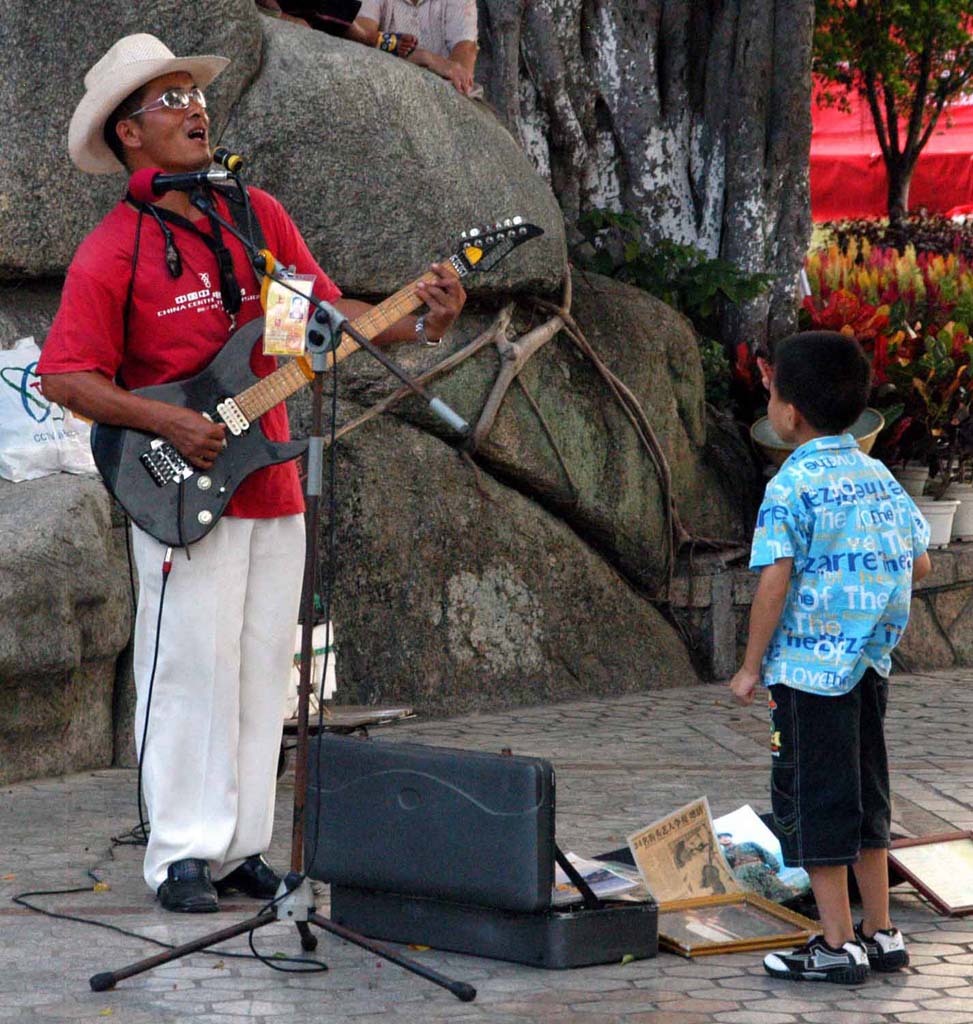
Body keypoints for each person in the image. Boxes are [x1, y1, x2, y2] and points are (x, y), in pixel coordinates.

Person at [38, 33, 465, 913]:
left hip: (268, 475)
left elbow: (318, 323)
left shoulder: (253, 217)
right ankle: (181, 854)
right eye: (169, 100)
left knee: (263, 670)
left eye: (195, 94)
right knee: (189, 669)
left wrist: (419, 322)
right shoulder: (115, 244)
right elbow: (65, 373)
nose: (194, 108)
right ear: (126, 134)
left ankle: (238, 849)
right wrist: (167, 420)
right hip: (175, 483)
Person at [728, 331, 931, 984]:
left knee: (815, 802)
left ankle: (834, 944)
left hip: (808, 675)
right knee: (867, 797)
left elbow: (774, 579)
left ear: (786, 412)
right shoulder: (876, 474)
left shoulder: (791, 485)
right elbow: (919, 558)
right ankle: (882, 933)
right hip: (868, 667)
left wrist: (750, 665)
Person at [353, 0, 478, 95]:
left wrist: (454, 74)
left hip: (438, 96)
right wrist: (423, 58)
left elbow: (465, 50)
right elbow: (361, 36)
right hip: (386, 87)